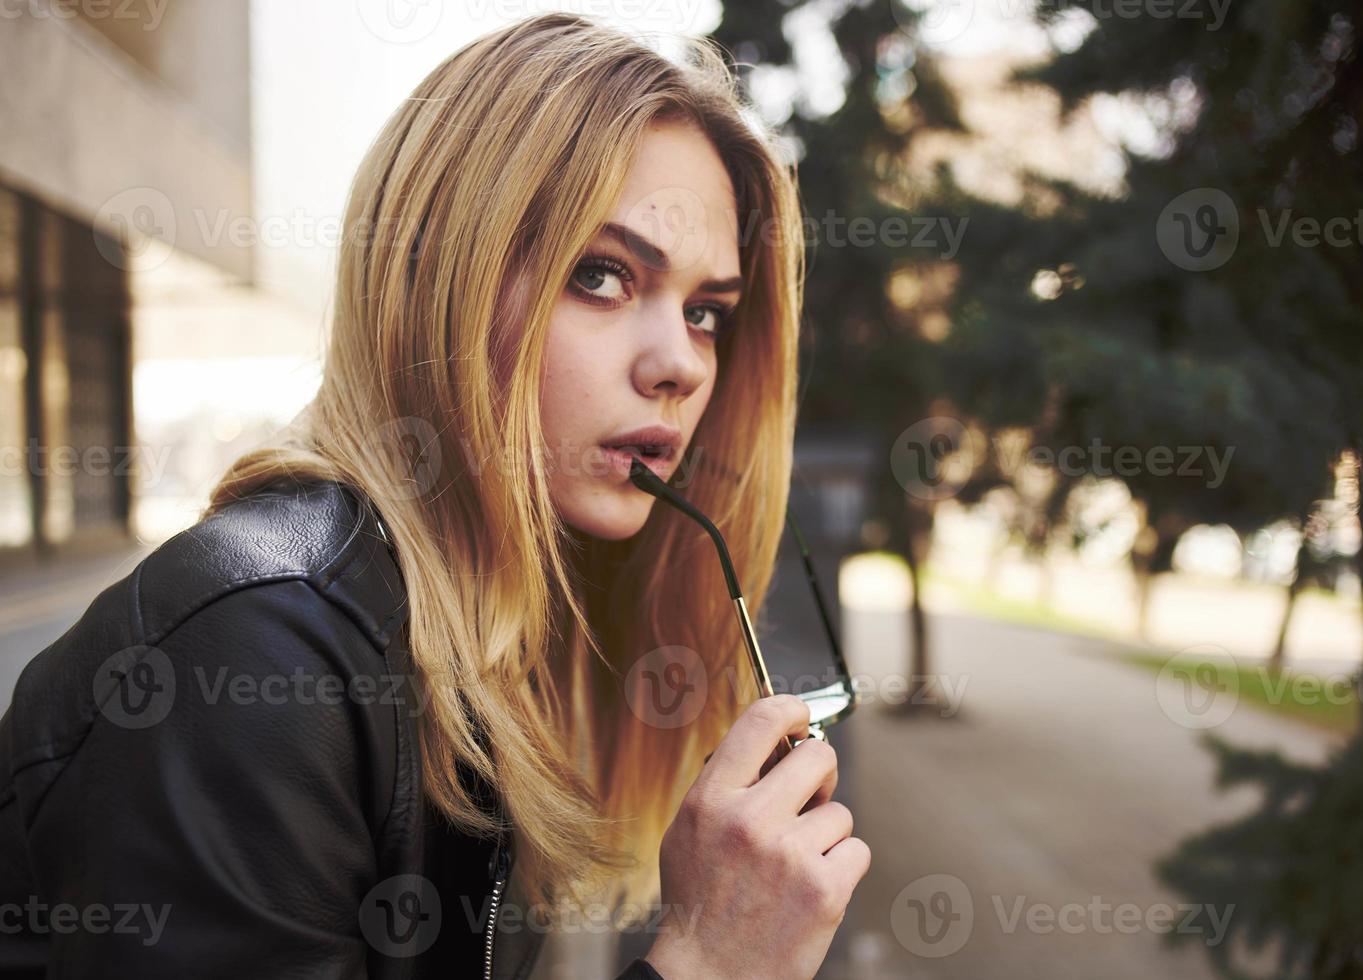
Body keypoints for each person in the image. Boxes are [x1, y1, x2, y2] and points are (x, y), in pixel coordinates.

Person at [0, 13, 868, 979]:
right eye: (601, 275)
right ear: (437, 281)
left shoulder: (486, 637)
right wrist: (706, 961)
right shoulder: (257, 648)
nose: (678, 365)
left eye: (707, 312)